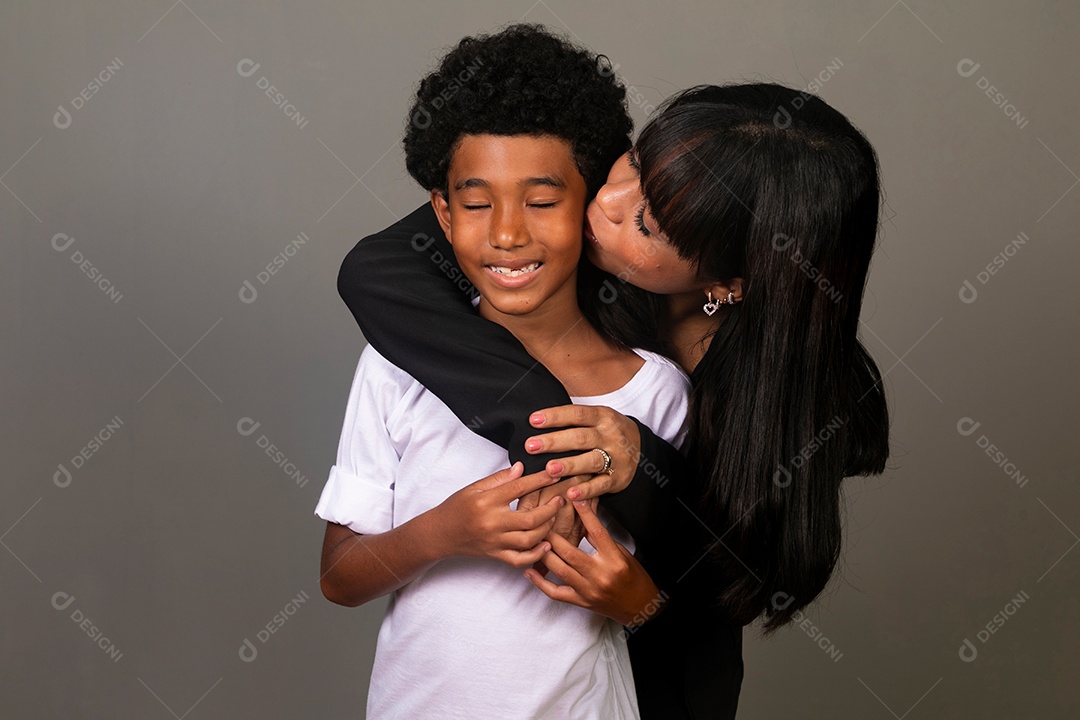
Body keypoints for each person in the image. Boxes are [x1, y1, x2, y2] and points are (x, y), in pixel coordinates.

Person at [337, 75, 892, 718]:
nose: (603, 201)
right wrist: (542, 426)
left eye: (645, 222)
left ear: (732, 281)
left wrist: (641, 503)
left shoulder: (795, 405)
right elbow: (379, 268)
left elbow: (741, 589)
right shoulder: (580, 211)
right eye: (633, 164)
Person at [314, 24, 693, 719]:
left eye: (543, 201)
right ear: (441, 212)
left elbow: (686, 600)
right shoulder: (393, 369)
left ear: (589, 210)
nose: (508, 233)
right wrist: (446, 532)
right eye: (478, 203)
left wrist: (633, 594)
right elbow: (339, 578)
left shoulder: (654, 391)